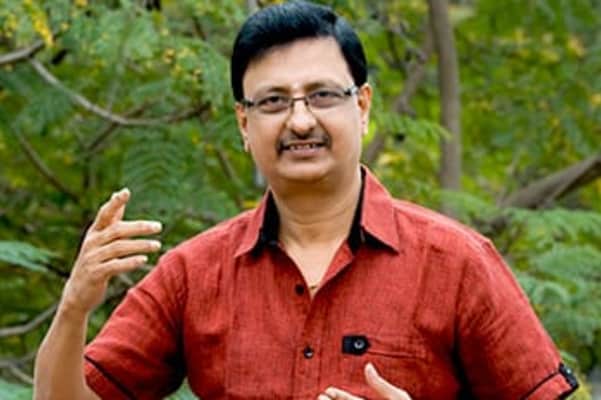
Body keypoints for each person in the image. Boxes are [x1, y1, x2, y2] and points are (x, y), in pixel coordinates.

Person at [34, 1, 579, 399]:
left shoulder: (457, 263)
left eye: (322, 95)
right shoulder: (193, 275)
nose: (299, 120)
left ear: (362, 107)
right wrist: (74, 306)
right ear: (243, 123)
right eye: (273, 101)